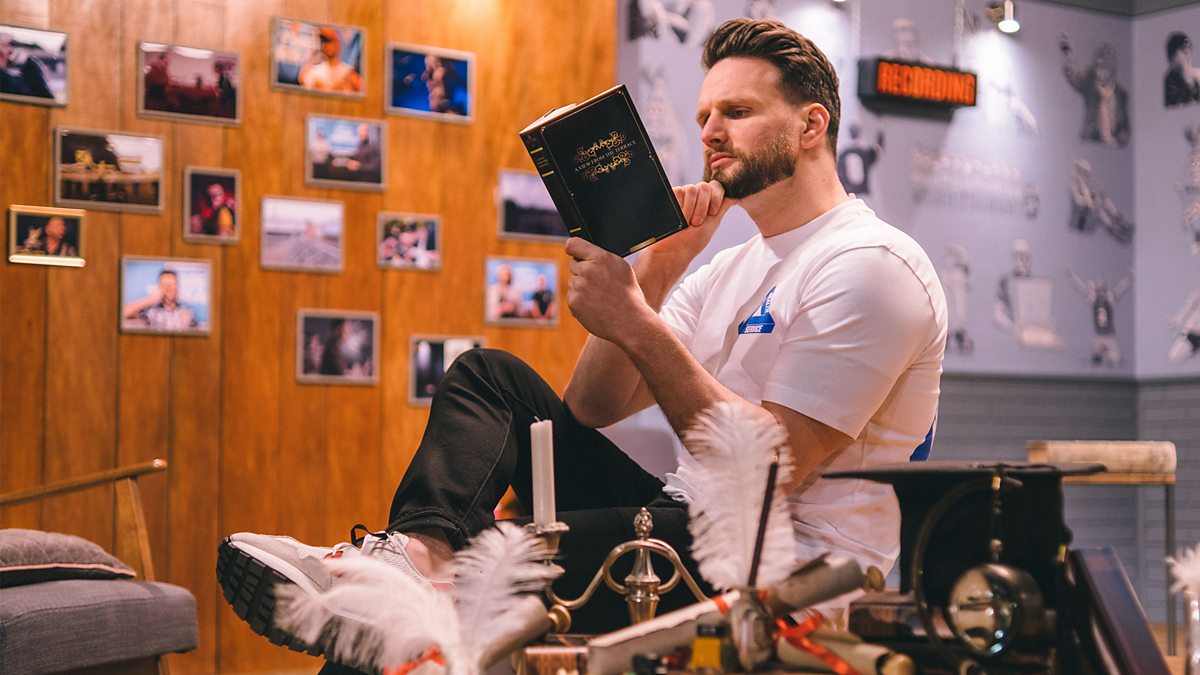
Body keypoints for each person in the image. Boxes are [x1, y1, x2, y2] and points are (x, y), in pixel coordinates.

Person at [216, 19, 946, 672]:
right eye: (704, 115)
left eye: (737, 111)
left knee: (463, 583)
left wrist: (633, 319)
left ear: (812, 124)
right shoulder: (729, 263)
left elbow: (769, 472)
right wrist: (654, 270)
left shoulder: (870, 264)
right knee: (489, 378)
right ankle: (414, 552)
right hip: (683, 516)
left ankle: (400, 578)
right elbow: (592, 406)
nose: (710, 131)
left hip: (778, 565)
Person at [1059, 34, 1130, 147]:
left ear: (1112, 69)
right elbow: (1072, 75)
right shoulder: (1089, 81)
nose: (1101, 72)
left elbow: (1125, 129)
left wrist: (1117, 142)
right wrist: (1068, 56)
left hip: (1111, 147)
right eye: (1098, 67)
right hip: (1089, 140)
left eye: (1105, 67)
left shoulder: (1121, 94)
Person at [122, 269, 198, 331]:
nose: (169, 289)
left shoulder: (186, 310)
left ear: (177, 287)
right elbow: (122, 313)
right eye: (165, 285)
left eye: (172, 284)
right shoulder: (150, 310)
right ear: (158, 287)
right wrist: (149, 300)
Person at [298, 27, 361, 93]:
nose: (325, 45)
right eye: (322, 41)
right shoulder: (314, 72)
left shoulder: (349, 73)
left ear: (338, 44)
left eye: (329, 41)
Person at [1165, 32, 1200, 108]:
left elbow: (1196, 98)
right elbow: (1175, 106)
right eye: (1182, 49)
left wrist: (1190, 83)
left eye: (1189, 49)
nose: (1187, 53)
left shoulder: (1194, 77)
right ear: (1172, 55)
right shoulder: (1168, 81)